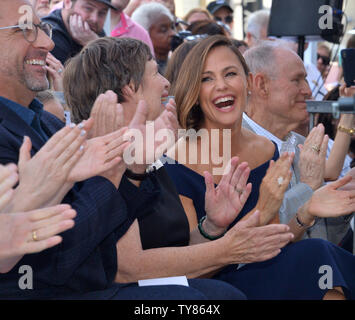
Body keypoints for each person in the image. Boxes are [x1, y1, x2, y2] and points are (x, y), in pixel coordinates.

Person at [0, 0, 246, 300]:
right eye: (26, 29)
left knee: (226, 296)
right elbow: (63, 263)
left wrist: (134, 172)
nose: (48, 42)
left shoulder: (48, 127)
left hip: (98, 287)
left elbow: (106, 241)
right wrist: (114, 172)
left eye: (43, 28)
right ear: (129, 87)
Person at [62, 37, 300, 298]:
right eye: (155, 72)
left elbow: (179, 251)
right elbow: (127, 269)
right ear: (130, 87)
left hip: (178, 287)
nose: (167, 83)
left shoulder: (149, 155)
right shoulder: (103, 158)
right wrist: (228, 248)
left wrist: (211, 227)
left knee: (308, 256)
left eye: (231, 73)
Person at [167, 35, 355, 299]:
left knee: (320, 260)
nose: (221, 85)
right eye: (207, 78)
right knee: (316, 259)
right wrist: (247, 214)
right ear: (195, 92)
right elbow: (187, 270)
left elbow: (272, 242)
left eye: (230, 73)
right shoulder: (177, 160)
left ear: (247, 82)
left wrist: (307, 211)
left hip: (264, 269)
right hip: (212, 286)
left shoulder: (267, 148)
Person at [243, 42, 353, 245]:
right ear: (261, 85)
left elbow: (323, 239)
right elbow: (255, 237)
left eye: (306, 79)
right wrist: (308, 187)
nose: (308, 90)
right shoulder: (234, 143)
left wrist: (345, 199)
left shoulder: (300, 143)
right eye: (297, 80)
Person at [42, 0, 117, 64]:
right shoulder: (49, 34)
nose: (94, 19)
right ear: (68, 2)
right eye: (88, 8)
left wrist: (93, 43)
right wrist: (94, 46)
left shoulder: (93, 30)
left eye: (102, 13)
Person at [131, 2, 176, 75]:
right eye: (164, 30)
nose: (172, 33)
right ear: (144, 33)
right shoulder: (141, 72)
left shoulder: (178, 64)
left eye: (172, 27)